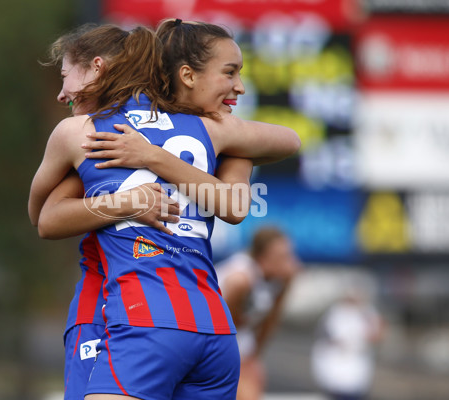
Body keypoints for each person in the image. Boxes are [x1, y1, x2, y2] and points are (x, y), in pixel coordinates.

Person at [29, 20, 301, 400]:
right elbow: (284, 147)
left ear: (97, 68)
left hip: (128, 318)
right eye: (231, 73)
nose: (239, 86)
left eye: (65, 77)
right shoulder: (221, 136)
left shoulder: (93, 135)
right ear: (186, 75)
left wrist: (143, 171)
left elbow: (42, 217)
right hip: (214, 330)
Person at [216, 226, 300, 400]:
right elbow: (219, 326)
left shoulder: (281, 278)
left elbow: (271, 319)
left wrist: (254, 357)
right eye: (282, 257)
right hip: (214, 339)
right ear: (263, 258)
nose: (291, 262)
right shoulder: (240, 280)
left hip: (240, 339)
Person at [311, 284, 385, 400]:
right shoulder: (336, 312)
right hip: (337, 365)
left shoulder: (367, 311)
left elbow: (378, 333)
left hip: (357, 367)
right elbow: (335, 337)